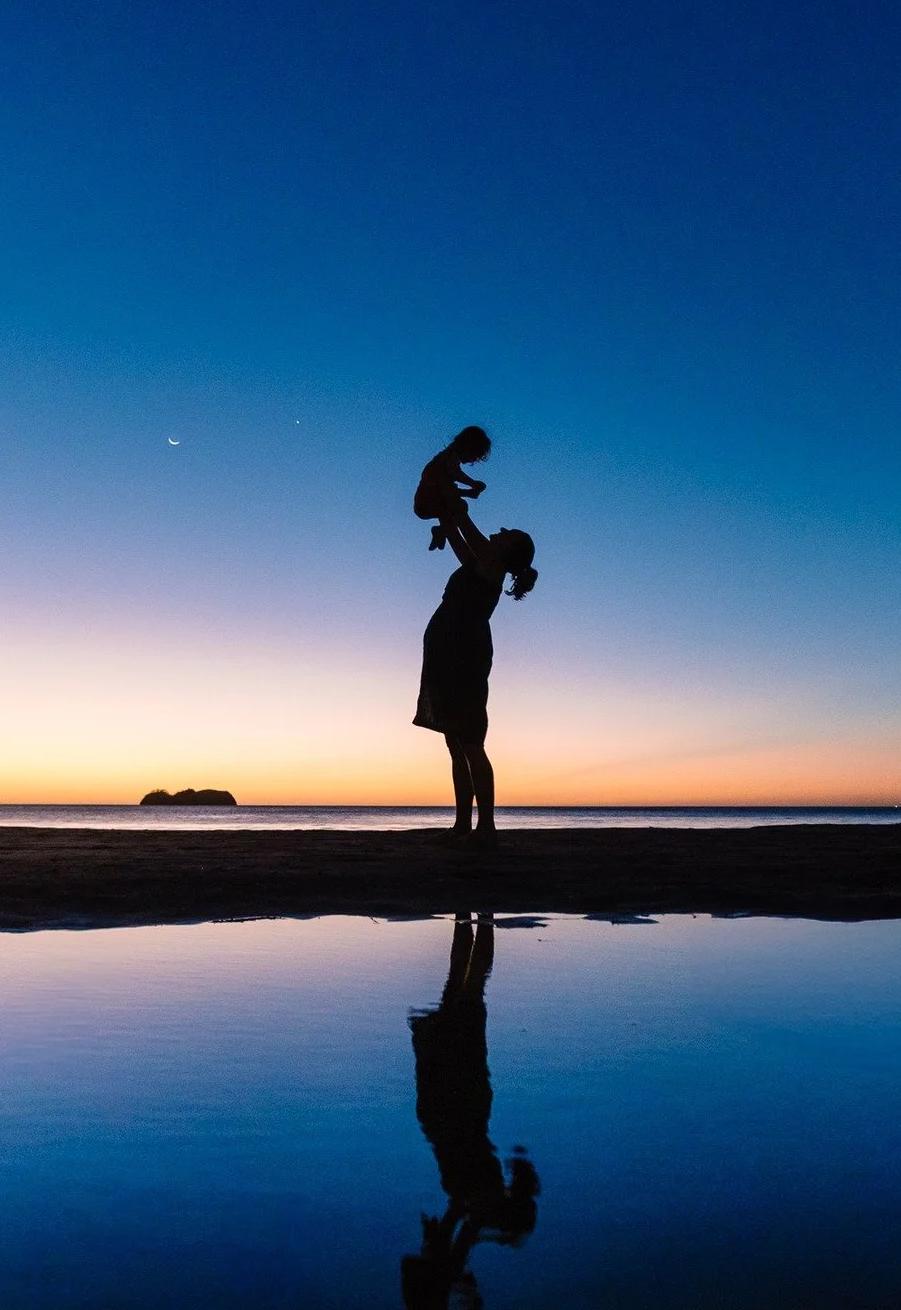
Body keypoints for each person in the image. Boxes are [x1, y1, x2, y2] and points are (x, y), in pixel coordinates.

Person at [400, 913, 540, 1310]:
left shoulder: (473, 1207)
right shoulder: (471, 1206)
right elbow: (459, 1233)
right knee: (463, 993)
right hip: (449, 1108)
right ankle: (474, 916)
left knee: (464, 993)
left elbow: (460, 1234)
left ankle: (474, 917)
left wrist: (456, 1269)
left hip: (457, 1105)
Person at [413, 513, 536, 847]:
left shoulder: (492, 564)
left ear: (510, 550)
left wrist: (451, 502)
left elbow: (464, 524)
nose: (501, 529)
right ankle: (462, 825)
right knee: (455, 744)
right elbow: (457, 533)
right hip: (445, 655)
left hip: (463, 656)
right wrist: (445, 519)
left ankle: (486, 828)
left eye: (509, 533)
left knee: (470, 742)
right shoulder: (479, 562)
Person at [415, 426, 492, 551]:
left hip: (427, 503)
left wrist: (468, 492)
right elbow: (454, 473)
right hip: (426, 502)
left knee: (455, 509)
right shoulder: (448, 458)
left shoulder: (445, 463)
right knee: (459, 507)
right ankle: (443, 531)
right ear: (467, 446)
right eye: (473, 455)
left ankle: (441, 531)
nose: (472, 460)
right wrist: (472, 484)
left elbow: (446, 491)